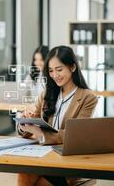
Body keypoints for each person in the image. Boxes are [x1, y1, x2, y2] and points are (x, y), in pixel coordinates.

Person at [17, 45, 98, 186]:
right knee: (25, 171)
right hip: (44, 157)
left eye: (59, 69)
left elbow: (76, 136)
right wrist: (25, 124)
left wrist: (42, 134)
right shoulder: (46, 94)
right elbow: (30, 124)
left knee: (36, 182)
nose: (55, 75)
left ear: (72, 67)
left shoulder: (87, 97)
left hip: (67, 163)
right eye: (51, 71)